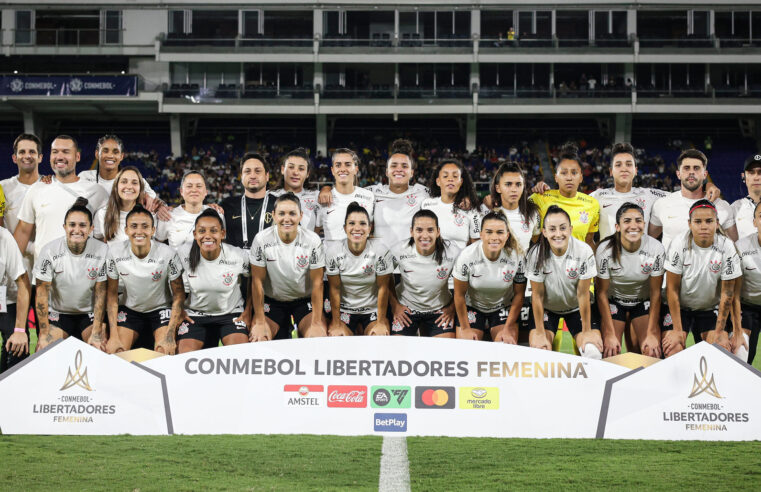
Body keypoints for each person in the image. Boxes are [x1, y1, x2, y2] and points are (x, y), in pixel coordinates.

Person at [662, 199, 742, 357]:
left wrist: (719, 331)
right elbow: (672, 289)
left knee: (721, 349)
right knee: (673, 349)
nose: (704, 226)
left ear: (717, 223)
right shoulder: (679, 243)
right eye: (698, 221)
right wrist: (677, 330)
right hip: (681, 309)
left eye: (709, 221)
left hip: (709, 309)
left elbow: (727, 294)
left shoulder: (726, 246)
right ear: (689, 223)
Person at [105, 206, 185, 354]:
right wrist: (114, 336)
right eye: (134, 226)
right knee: (117, 351)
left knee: (164, 351)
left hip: (160, 309)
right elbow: (111, 295)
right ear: (126, 230)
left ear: (153, 230)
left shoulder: (167, 254)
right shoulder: (114, 252)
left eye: (145, 226)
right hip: (131, 309)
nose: (139, 231)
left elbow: (179, 295)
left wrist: (169, 334)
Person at [526, 205, 602, 358]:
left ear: (570, 229)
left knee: (592, 350)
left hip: (576, 308)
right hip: (548, 309)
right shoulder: (536, 254)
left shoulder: (584, 251)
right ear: (544, 232)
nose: (558, 234)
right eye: (552, 229)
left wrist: (587, 332)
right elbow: (537, 296)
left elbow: (583, 294)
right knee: (539, 350)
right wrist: (540, 332)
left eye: (563, 228)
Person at [15, 135, 109, 259]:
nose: (59, 157)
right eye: (55, 152)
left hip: (83, 274)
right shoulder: (36, 190)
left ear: (77, 157)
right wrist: (14, 271)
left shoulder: (97, 192)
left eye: (66, 152)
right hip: (44, 275)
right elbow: (23, 232)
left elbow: (106, 236)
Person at [33, 198, 108, 351]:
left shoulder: (103, 251)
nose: (77, 230)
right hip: (58, 313)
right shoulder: (49, 251)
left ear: (91, 228)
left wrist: (96, 331)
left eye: (82, 225)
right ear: (64, 227)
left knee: (100, 350)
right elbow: (41, 294)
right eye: (72, 225)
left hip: (89, 314)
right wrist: (44, 332)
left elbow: (101, 294)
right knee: (44, 351)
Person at [249, 193, 327, 341]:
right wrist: (259, 321)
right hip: (272, 302)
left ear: (301, 215)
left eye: (292, 213)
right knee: (259, 338)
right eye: (281, 213)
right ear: (273, 215)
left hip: (304, 301)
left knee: (317, 338)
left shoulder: (312, 240)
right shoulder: (261, 239)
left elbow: (318, 284)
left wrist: (316, 323)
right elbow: (257, 282)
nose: (287, 218)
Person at [595, 203, 665, 358]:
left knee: (651, 351)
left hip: (642, 302)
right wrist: (609, 333)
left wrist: (653, 333)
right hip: (614, 302)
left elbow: (655, 292)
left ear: (644, 225)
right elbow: (601, 293)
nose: (633, 225)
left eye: (638, 221)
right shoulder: (605, 250)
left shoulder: (655, 248)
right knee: (610, 351)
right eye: (627, 221)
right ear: (617, 227)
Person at [175, 209, 250, 353]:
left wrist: (248, 311)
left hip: (231, 314)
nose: (207, 236)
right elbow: (174, 285)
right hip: (195, 315)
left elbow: (253, 282)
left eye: (213, 231)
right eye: (202, 231)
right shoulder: (182, 253)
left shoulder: (238, 255)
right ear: (195, 234)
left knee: (240, 355)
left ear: (223, 233)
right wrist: (180, 310)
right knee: (185, 357)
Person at [1, 133, 43, 365]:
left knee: (47, 339)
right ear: (14, 157)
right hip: (12, 279)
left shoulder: (50, 185)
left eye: (31, 152)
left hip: (44, 278)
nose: (27, 156)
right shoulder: (3, 188)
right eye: (22, 152)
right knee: (15, 343)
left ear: (40, 156)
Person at [453, 212, 526, 342]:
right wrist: (465, 328)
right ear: (481, 234)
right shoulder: (466, 256)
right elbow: (459, 295)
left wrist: (508, 327)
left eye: (499, 232)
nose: (494, 237)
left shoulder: (517, 257)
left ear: (507, 235)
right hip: (473, 307)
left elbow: (519, 295)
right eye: (489, 232)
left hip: (503, 307)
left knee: (506, 346)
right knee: (467, 347)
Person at [388, 210, 460, 337]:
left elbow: (469, 281)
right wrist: (395, 306)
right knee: (398, 349)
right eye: (419, 230)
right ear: (411, 232)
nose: (425, 235)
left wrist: (452, 308)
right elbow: (383, 278)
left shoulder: (453, 252)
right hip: (406, 309)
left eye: (430, 230)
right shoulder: (398, 250)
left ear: (438, 232)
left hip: (439, 310)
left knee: (445, 351)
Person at [649, 149, 737, 253]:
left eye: (696, 168)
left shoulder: (722, 207)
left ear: (705, 174)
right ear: (678, 174)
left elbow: (734, 247)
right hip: (670, 269)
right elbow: (649, 240)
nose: (691, 172)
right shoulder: (662, 204)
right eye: (686, 168)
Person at [325, 202, 392, 336]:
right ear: (344, 228)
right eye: (352, 223)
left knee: (379, 338)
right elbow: (334, 289)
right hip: (345, 310)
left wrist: (380, 322)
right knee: (337, 338)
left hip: (372, 310)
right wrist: (336, 322)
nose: (357, 228)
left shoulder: (381, 251)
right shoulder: (334, 252)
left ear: (369, 228)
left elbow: (383, 288)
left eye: (362, 223)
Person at [529, 143, 599, 250]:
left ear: (581, 177)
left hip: (578, 265)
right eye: (564, 173)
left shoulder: (592, 204)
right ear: (556, 177)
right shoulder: (540, 198)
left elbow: (589, 241)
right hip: (547, 264)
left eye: (574, 173)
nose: (569, 178)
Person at [78, 134, 166, 217]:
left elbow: (159, 203)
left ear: (121, 156)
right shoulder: (84, 177)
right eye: (105, 151)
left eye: (115, 152)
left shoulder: (136, 181)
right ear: (97, 154)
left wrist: (160, 206)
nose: (110, 155)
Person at [421, 158, 483, 251]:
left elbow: (476, 246)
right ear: (438, 181)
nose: (450, 179)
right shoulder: (426, 205)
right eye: (445, 176)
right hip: (431, 263)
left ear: (461, 181)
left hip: (459, 264)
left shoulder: (471, 209)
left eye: (455, 176)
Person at [315, 148, 374, 245]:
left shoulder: (369, 196)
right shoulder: (321, 198)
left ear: (356, 169)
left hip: (360, 258)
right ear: (333, 170)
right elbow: (315, 233)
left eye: (348, 164)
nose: (342, 169)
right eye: (338, 165)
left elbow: (372, 228)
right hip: (331, 258)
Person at [220, 152, 276, 251]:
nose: (253, 176)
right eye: (247, 171)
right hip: (235, 265)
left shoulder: (279, 205)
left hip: (270, 264)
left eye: (258, 171)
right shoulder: (226, 205)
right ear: (241, 176)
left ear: (267, 176)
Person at [156, 171, 224, 250]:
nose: (194, 190)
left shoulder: (217, 214)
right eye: (189, 186)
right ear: (181, 191)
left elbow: (223, 244)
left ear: (206, 192)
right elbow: (158, 244)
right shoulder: (167, 215)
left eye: (199, 186)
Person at [93, 166, 151, 247]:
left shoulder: (150, 214)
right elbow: (97, 240)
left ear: (140, 188)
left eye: (134, 183)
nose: (129, 186)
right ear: (116, 186)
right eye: (124, 182)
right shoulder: (102, 214)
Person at [489, 161, 540, 252]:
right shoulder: (489, 213)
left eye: (518, 184)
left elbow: (536, 240)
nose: (514, 189)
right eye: (508, 184)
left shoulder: (533, 213)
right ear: (498, 188)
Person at [0, 226, 31, 372]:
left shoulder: (4, 237)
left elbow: (24, 284)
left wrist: (19, 330)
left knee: (19, 348)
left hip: (5, 300)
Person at [733, 200, 761, 363]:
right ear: (754, 222)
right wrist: (736, 328)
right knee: (741, 352)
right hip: (747, 306)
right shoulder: (741, 247)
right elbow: (732, 292)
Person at [269, 148, 319, 232]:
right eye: (291, 167)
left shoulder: (317, 197)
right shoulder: (270, 196)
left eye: (301, 169)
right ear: (282, 169)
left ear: (307, 174)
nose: (295, 172)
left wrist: (326, 189)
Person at [731, 154, 761, 240]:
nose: (756, 177)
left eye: (760, 172)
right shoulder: (734, 209)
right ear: (743, 176)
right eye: (751, 172)